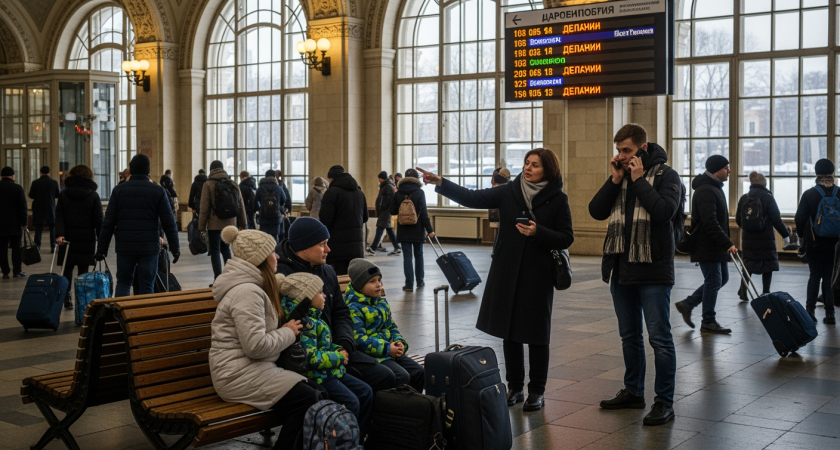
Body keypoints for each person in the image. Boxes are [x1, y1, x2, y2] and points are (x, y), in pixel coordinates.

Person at [418, 148, 574, 412]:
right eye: (526, 163)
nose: (528, 168)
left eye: (535, 165)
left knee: (537, 335)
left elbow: (566, 237)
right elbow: (471, 197)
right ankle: (515, 386)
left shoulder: (558, 199)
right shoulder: (509, 191)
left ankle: (537, 390)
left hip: (538, 274)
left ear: (547, 170)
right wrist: (441, 183)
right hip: (507, 271)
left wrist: (538, 232)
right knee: (510, 331)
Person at [588, 124, 680, 426]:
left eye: (626, 150)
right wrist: (615, 180)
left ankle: (664, 402)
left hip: (653, 269)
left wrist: (639, 180)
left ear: (642, 148)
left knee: (660, 339)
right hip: (622, 269)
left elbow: (664, 211)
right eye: (618, 150)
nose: (621, 156)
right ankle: (633, 391)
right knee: (630, 337)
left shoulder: (667, 176)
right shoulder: (621, 177)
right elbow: (596, 211)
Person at [209, 226, 321, 450]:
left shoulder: (255, 287)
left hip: (253, 368)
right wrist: (289, 331)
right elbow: (256, 347)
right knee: (306, 399)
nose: (277, 255)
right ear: (259, 259)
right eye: (272, 252)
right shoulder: (247, 292)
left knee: (316, 393)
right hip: (236, 374)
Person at [277, 217, 398, 393]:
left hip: (338, 347)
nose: (328, 249)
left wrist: (344, 343)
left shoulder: (326, 270)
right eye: (322, 244)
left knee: (394, 375)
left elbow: (341, 312)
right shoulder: (285, 277)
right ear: (304, 246)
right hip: (313, 356)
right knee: (377, 381)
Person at [279, 271, 373, 435]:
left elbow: (323, 345)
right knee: (351, 401)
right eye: (320, 292)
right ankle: (341, 442)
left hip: (330, 370)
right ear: (306, 298)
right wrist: (338, 357)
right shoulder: (303, 323)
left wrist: (337, 348)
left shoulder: (314, 316)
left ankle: (357, 439)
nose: (325, 296)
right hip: (318, 375)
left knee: (365, 391)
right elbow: (311, 358)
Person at [96, 154, 180, 296]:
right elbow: (169, 222)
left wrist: (101, 249)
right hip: (149, 246)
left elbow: (108, 223)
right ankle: (144, 317)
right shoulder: (157, 191)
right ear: (148, 171)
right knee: (147, 285)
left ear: (131, 170)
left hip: (125, 245)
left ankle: (121, 316)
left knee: (123, 282)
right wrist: (175, 247)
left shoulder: (119, 190)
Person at [675, 155, 736, 334]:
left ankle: (688, 304)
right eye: (726, 167)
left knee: (721, 279)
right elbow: (710, 222)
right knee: (714, 280)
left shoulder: (714, 188)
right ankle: (708, 321)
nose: (729, 171)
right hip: (706, 245)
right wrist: (727, 243)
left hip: (714, 245)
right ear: (717, 170)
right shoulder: (706, 191)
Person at [345, 259, 424, 392]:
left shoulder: (381, 303)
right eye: (372, 281)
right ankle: (396, 408)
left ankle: (414, 406)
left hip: (390, 350)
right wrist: (387, 349)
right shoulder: (353, 308)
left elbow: (391, 326)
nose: (379, 285)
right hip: (377, 355)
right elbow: (359, 340)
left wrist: (398, 341)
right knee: (401, 376)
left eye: (379, 280)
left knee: (418, 371)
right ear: (359, 285)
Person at [795, 158, 838, 324]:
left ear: (816, 173)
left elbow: (799, 219)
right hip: (834, 244)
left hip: (814, 242)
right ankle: (830, 314)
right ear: (832, 173)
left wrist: (802, 237)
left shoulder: (809, 194)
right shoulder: (839, 192)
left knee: (814, 276)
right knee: (828, 278)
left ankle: (810, 312)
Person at [736, 171, 790, 300]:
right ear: (764, 183)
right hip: (765, 237)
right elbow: (776, 219)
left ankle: (743, 289)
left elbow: (739, 219)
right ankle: (766, 292)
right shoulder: (768, 197)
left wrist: (748, 228)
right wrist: (786, 235)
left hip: (748, 238)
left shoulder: (744, 197)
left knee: (748, 263)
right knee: (768, 264)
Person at [55, 165, 103, 309]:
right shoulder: (93, 196)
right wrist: (102, 240)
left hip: (67, 240)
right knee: (83, 270)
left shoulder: (64, 195)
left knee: (67, 268)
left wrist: (60, 234)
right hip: (86, 239)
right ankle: (81, 299)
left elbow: (59, 217)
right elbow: (98, 220)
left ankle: (67, 296)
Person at [199, 161, 249, 280]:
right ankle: (229, 278)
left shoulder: (208, 184)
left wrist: (201, 227)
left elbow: (204, 208)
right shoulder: (232, 183)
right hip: (231, 224)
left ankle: (218, 278)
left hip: (214, 225)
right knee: (226, 249)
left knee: (215, 250)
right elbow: (241, 204)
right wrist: (243, 223)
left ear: (211, 170)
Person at [319, 165, 369, 276]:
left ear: (331, 179)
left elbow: (325, 219)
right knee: (353, 278)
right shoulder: (359, 193)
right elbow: (365, 217)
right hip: (356, 245)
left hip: (337, 246)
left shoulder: (331, 193)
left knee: (339, 278)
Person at [389, 169, 434, 291]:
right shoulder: (420, 192)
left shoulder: (398, 193)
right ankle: (420, 281)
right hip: (418, 228)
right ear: (416, 179)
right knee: (419, 255)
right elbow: (424, 213)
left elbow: (392, 211)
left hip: (403, 228)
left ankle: (409, 284)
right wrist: (430, 230)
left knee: (407, 257)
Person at [0, 167, 27, 279]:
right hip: (15, 224)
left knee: (2, 249)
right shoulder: (17, 188)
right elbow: (23, 207)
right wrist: (24, 222)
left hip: (0, 225)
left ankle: (5, 271)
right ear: (12, 176)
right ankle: (17, 271)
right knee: (16, 248)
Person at [367, 171, 400, 256]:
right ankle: (397, 247)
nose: (378, 180)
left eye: (379, 178)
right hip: (386, 211)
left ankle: (373, 248)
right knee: (389, 229)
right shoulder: (387, 186)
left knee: (380, 229)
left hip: (385, 211)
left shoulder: (387, 186)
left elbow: (386, 200)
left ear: (382, 178)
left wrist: (381, 208)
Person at [29, 166, 60, 253]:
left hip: (38, 208)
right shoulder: (54, 182)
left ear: (40, 173)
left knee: (38, 228)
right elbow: (57, 195)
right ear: (49, 173)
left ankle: (37, 246)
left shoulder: (35, 183)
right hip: (50, 207)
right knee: (52, 227)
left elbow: (31, 195)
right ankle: (53, 245)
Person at [256, 170, 285, 243]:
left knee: (263, 236)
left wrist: (260, 209)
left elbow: (255, 201)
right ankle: (275, 253)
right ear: (275, 177)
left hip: (263, 216)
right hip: (276, 216)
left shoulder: (260, 188)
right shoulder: (278, 188)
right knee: (275, 237)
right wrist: (278, 207)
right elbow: (284, 199)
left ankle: (265, 254)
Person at [489, 168, 511, 257]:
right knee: (498, 235)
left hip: (497, 214)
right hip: (497, 214)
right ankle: (495, 251)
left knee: (498, 235)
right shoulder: (507, 188)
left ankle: (495, 251)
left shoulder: (501, 188)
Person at [275, 170, 293, 240]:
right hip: (280, 211)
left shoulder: (263, 187)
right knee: (281, 231)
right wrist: (287, 209)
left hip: (267, 214)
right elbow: (287, 198)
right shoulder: (281, 185)